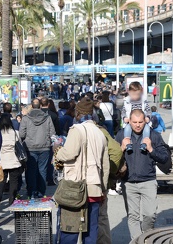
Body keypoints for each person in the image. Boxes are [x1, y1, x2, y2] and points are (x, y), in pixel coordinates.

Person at [55, 97, 110, 243]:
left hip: (75, 189)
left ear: (78, 113)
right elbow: (105, 166)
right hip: (94, 189)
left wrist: (58, 151)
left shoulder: (77, 130)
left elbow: (69, 153)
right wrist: (103, 190)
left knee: (69, 231)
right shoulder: (100, 133)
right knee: (91, 232)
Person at [116, 109, 170, 240]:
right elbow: (111, 158)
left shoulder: (153, 135)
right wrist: (121, 148)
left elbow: (165, 157)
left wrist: (151, 149)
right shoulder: (121, 135)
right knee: (133, 216)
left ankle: (146, 237)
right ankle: (138, 241)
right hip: (128, 182)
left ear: (145, 120)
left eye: (140, 122)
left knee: (150, 214)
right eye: (134, 122)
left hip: (148, 181)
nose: (138, 125)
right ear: (129, 120)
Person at [19, 99, 55, 198]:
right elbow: (52, 133)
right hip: (44, 147)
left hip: (30, 147)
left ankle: (31, 191)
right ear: (40, 106)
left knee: (31, 170)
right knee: (42, 169)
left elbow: (21, 133)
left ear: (32, 106)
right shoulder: (47, 118)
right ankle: (41, 191)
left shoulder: (26, 118)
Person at [0, 114, 22, 206]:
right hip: (13, 160)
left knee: (1, 180)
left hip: (2, 160)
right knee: (14, 180)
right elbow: (19, 144)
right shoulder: (15, 132)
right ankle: (12, 199)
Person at [121, 82, 152, 152]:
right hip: (130, 121)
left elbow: (149, 111)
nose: (135, 96)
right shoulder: (127, 101)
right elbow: (123, 112)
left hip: (142, 121)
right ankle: (128, 143)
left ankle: (144, 143)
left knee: (147, 129)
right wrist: (124, 118)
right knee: (127, 128)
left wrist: (148, 117)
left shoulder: (143, 101)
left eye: (137, 94)